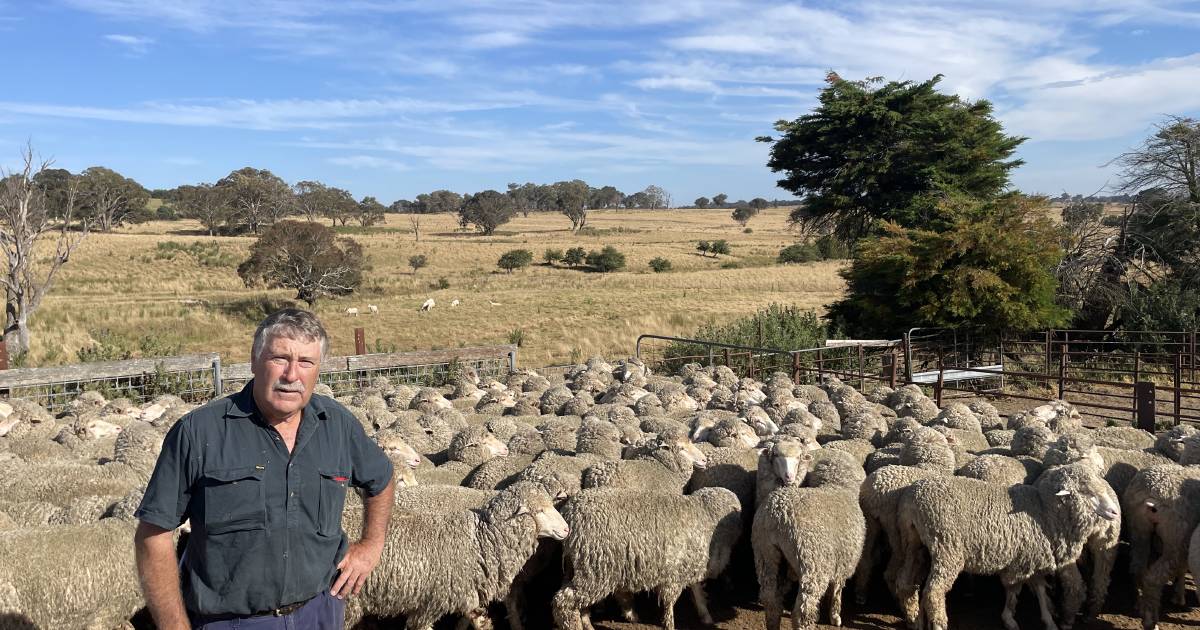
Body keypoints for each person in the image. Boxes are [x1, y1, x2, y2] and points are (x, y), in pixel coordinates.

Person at [133, 308, 395, 629]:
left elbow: (381, 479)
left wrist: (371, 545)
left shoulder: (337, 424)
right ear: (255, 361)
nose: (291, 374)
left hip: (320, 612)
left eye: (306, 362)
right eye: (279, 358)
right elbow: (153, 535)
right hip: (231, 621)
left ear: (318, 370)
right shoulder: (199, 432)